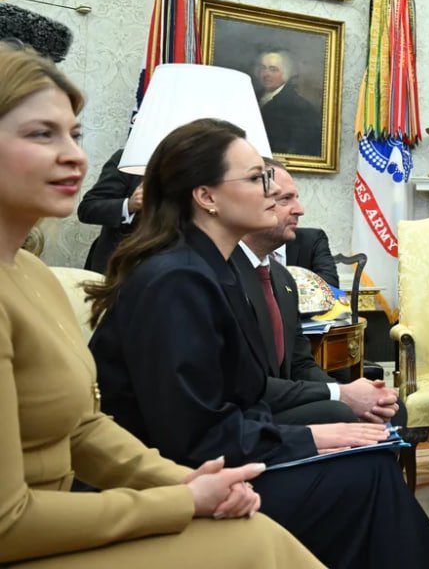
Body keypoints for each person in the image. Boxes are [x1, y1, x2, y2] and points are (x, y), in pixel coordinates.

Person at [0, 43, 324, 567]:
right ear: (205, 195)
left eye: (75, 135)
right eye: (42, 134)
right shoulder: (175, 277)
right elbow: (8, 522)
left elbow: (84, 428)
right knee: (260, 542)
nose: (75, 156)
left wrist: (190, 484)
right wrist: (182, 500)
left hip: (72, 511)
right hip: (33, 534)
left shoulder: (33, 275)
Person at [86, 118, 429, 569]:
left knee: (367, 458)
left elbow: (248, 392)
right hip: (170, 483)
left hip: (220, 456)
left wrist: (319, 433)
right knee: (365, 474)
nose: (272, 193)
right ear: (206, 197)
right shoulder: (176, 279)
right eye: (256, 179)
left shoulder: (215, 269)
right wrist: (312, 437)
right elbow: (194, 437)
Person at [232, 160, 400, 425]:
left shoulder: (283, 278)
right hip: (243, 415)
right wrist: (341, 395)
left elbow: (301, 365)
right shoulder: (223, 275)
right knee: (342, 414)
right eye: (285, 199)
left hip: (281, 401)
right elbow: (242, 384)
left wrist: (350, 393)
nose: (300, 209)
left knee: (388, 408)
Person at [77, 148, 143, 273]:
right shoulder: (130, 157)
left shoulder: (182, 164)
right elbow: (88, 208)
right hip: (116, 268)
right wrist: (129, 205)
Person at [254, 49, 322, 157]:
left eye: (273, 69)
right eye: (263, 68)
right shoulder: (252, 96)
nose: (266, 74)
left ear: (286, 73)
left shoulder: (300, 107)